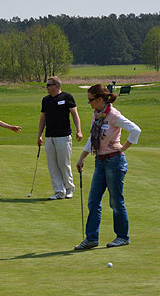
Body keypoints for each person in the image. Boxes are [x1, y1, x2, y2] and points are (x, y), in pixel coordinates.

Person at [74, 84, 141, 250]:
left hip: (114, 162)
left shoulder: (113, 115)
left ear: (99, 99)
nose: (89, 103)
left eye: (90, 100)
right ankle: (91, 239)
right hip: (100, 161)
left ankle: (122, 237)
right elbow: (92, 138)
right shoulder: (96, 114)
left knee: (116, 202)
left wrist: (123, 147)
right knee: (93, 201)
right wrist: (82, 157)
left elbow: (135, 130)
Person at [37, 76, 83, 200]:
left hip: (63, 135)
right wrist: (39, 135)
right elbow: (43, 118)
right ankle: (59, 191)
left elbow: (75, 114)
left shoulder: (67, 97)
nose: (47, 87)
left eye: (49, 85)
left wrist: (79, 131)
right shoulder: (45, 100)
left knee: (63, 164)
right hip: (49, 136)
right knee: (52, 165)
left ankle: (69, 189)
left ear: (56, 86)